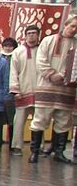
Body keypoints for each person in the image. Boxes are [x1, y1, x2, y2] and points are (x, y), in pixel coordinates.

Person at [28, 16, 77, 164]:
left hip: (66, 89)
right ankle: (34, 152)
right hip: (47, 87)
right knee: (40, 119)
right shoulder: (48, 40)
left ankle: (59, 152)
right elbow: (40, 61)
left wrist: (68, 76)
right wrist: (52, 74)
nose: (74, 29)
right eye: (73, 26)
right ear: (66, 25)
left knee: (63, 121)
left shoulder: (75, 44)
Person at [9, 27, 40, 157]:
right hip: (23, 89)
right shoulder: (18, 51)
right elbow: (13, 72)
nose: (31, 36)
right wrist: (15, 90)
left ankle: (38, 146)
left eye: (34, 33)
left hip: (40, 91)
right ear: (25, 35)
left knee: (39, 121)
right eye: (29, 33)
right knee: (19, 120)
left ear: (38, 35)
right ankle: (16, 146)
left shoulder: (43, 50)